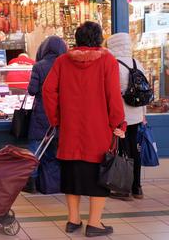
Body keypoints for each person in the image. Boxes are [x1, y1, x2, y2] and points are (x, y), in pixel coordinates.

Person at [42, 21, 126, 237]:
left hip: (70, 130)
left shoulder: (62, 61)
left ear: (77, 38)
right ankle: (94, 223)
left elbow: (48, 90)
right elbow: (113, 96)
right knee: (99, 175)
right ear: (98, 39)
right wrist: (119, 123)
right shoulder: (107, 61)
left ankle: (73, 220)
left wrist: (57, 119)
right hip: (98, 131)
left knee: (71, 174)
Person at [23, 36, 67, 193]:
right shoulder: (66, 65)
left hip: (41, 113)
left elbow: (32, 90)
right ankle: (55, 182)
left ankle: (31, 183)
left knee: (35, 149)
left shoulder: (39, 66)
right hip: (62, 114)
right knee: (56, 150)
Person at [107, 32, 146, 201]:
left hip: (120, 115)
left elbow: (111, 92)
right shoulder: (138, 63)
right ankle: (137, 187)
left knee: (123, 150)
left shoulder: (114, 64)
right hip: (136, 114)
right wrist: (144, 114)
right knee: (135, 150)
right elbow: (144, 89)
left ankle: (124, 188)